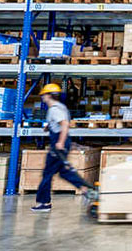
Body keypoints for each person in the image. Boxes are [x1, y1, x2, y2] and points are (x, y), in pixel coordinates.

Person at [31, 83, 93, 213]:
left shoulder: (55, 109)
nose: (42, 97)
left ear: (49, 95)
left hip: (58, 143)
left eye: (44, 95)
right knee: (64, 171)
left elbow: (64, 125)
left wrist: (60, 142)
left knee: (48, 173)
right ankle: (85, 190)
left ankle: (43, 203)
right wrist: (49, 126)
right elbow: (60, 122)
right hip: (61, 142)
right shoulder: (60, 107)